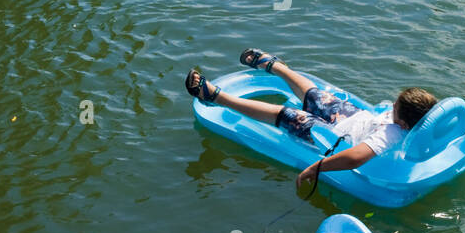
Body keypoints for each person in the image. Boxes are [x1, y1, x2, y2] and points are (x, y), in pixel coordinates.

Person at [186, 50, 437, 191]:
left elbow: (357, 156)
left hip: (333, 134)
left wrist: (316, 168)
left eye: (395, 107)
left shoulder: (392, 134)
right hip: (354, 117)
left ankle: (215, 97)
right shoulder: (422, 120)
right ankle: (275, 66)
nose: (392, 105)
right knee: (315, 95)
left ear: (403, 124)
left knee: (282, 113)